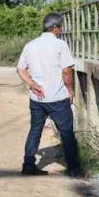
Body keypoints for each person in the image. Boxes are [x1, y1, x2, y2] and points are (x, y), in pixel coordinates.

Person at [16, 13, 83, 177]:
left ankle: (28, 165)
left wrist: (32, 84)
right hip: (57, 97)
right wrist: (70, 90)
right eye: (60, 27)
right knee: (66, 132)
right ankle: (74, 169)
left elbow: (20, 69)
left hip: (37, 98)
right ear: (55, 28)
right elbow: (66, 71)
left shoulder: (30, 45)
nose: (60, 31)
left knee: (35, 130)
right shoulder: (60, 45)